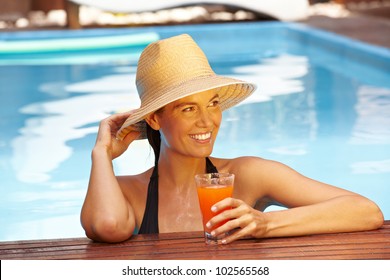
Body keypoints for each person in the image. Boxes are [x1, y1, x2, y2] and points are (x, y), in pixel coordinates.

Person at [80, 34, 384, 243]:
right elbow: (107, 227)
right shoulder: (127, 191)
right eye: (188, 108)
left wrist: (265, 224)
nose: (207, 121)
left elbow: (365, 211)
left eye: (212, 104)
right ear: (155, 119)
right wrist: (101, 153)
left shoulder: (247, 175)